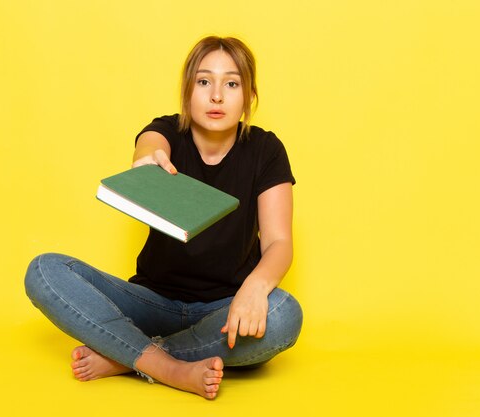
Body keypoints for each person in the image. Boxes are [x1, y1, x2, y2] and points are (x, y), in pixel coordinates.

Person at [24, 36, 302, 400]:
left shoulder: (266, 150)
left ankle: (130, 356)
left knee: (285, 314)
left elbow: (279, 241)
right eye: (204, 82)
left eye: (231, 83)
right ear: (187, 92)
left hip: (225, 309)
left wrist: (255, 288)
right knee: (44, 270)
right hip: (150, 302)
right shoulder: (169, 129)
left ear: (248, 97)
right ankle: (168, 367)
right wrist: (148, 160)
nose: (216, 95)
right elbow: (151, 144)